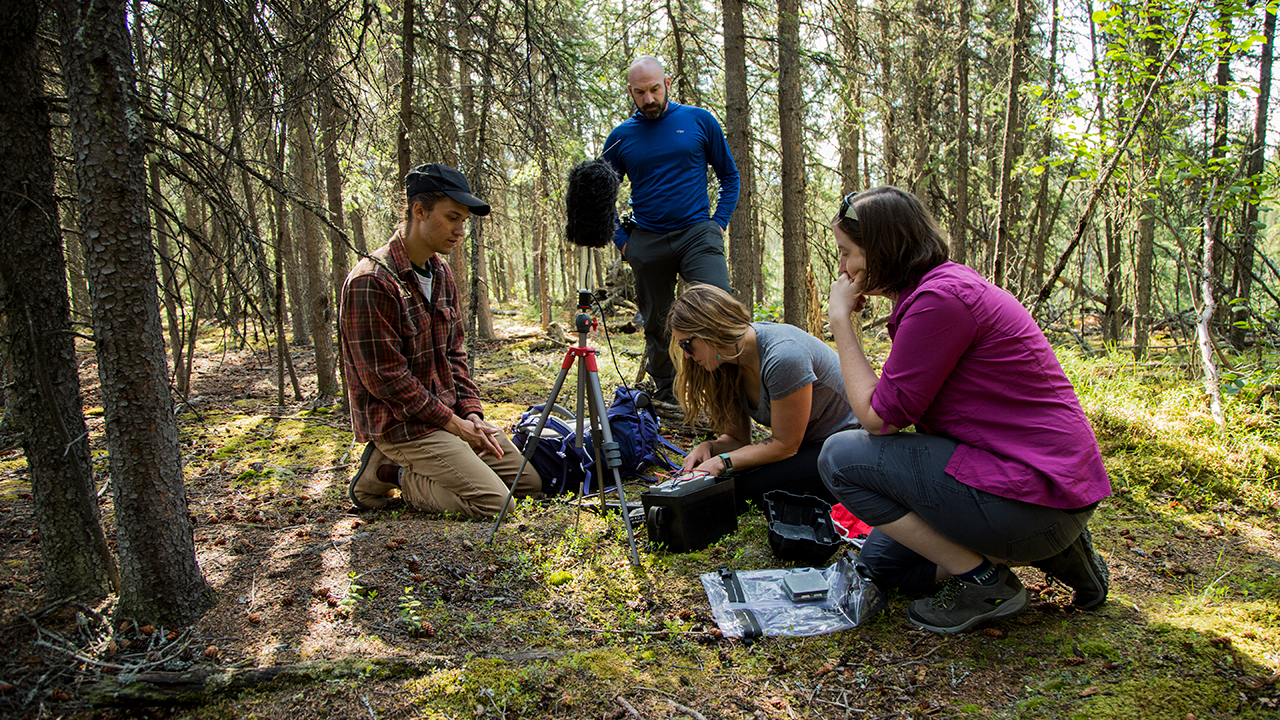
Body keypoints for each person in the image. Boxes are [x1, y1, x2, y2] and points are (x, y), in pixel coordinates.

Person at [818, 186, 1112, 634]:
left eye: (847, 253)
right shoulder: (933, 290)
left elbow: (879, 420)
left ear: (881, 249)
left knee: (840, 458)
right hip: (1029, 486)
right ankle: (1059, 553)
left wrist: (841, 322)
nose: (842, 269)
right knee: (885, 569)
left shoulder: (941, 301)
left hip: (1035, 492)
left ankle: (986, 583)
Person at [340, 163, 541, 519]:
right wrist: (454, 425)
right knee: (496, 504)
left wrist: (472, 415)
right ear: (419, 211)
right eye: (452, 218)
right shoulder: (372, 280)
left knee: (526, 483)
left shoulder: (440, 271)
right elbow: (387, 380)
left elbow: (454, 354)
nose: (460, 230)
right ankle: (387, 472)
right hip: (401, 426)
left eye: (463, 220)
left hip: (445, 415)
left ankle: (433, 461)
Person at [602, 55, 739, 407]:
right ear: (631, 92)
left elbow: (730, 176)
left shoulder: (699, 120)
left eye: (655, 89)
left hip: (697, 233)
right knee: (658, 323)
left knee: (717, 311)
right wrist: (623, 243)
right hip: (647, 240)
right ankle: (669, 397)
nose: (649, 99)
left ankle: (727, 396)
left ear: (667, 84)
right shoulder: (620, 138)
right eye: (640, 92)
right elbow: (601, 196)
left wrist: (717, 224)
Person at [668, 284, 859, 511]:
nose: (687, 356)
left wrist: (722, 462)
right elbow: (738, 439)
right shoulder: (725, 363)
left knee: (741, 490)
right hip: (805, 446)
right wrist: (710, 447)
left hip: (847, 445)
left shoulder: (783, 356)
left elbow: (785, 445)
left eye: (687, 345)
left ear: (712, 329)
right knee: (721, 483)